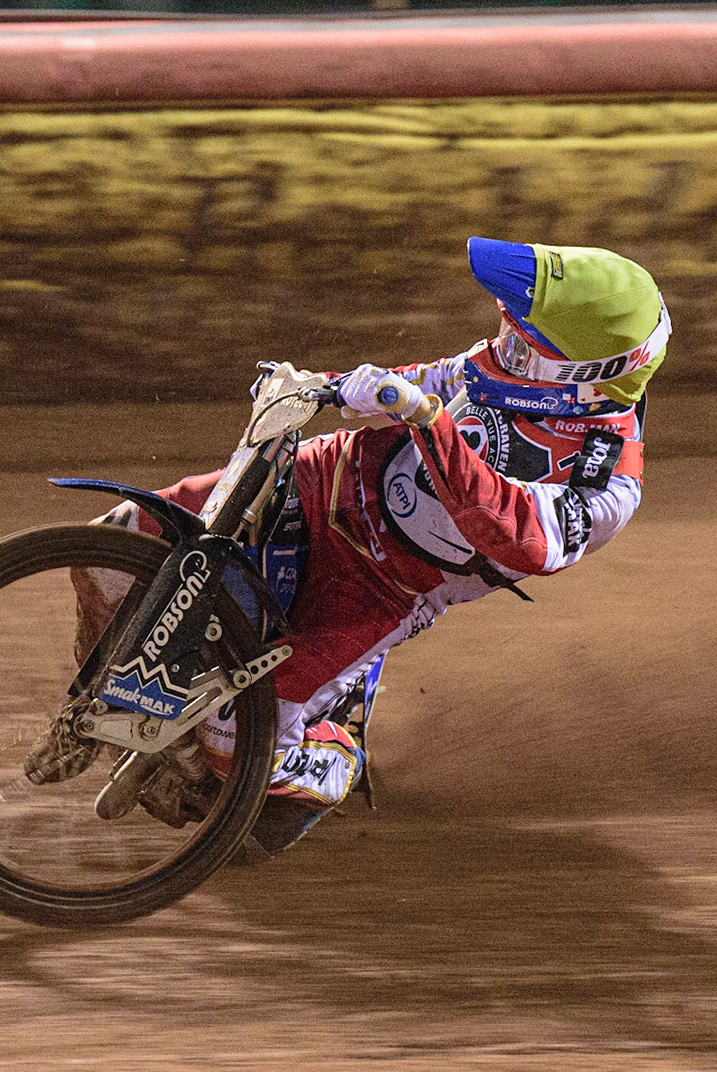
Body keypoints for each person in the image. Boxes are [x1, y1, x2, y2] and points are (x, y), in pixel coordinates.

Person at [53, 237, 669, 859]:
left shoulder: (607, 484)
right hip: (318, 480)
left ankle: (335, 754)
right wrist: (320, 387)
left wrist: (433, 426)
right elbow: (418, 383)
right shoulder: (505, 370)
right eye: (505, 334)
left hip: (380, 590)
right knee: (110, 544)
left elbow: (513, 530)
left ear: (580, 376)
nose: (498, 351)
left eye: (519, 346)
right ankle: (103, 700)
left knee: (229, 740)